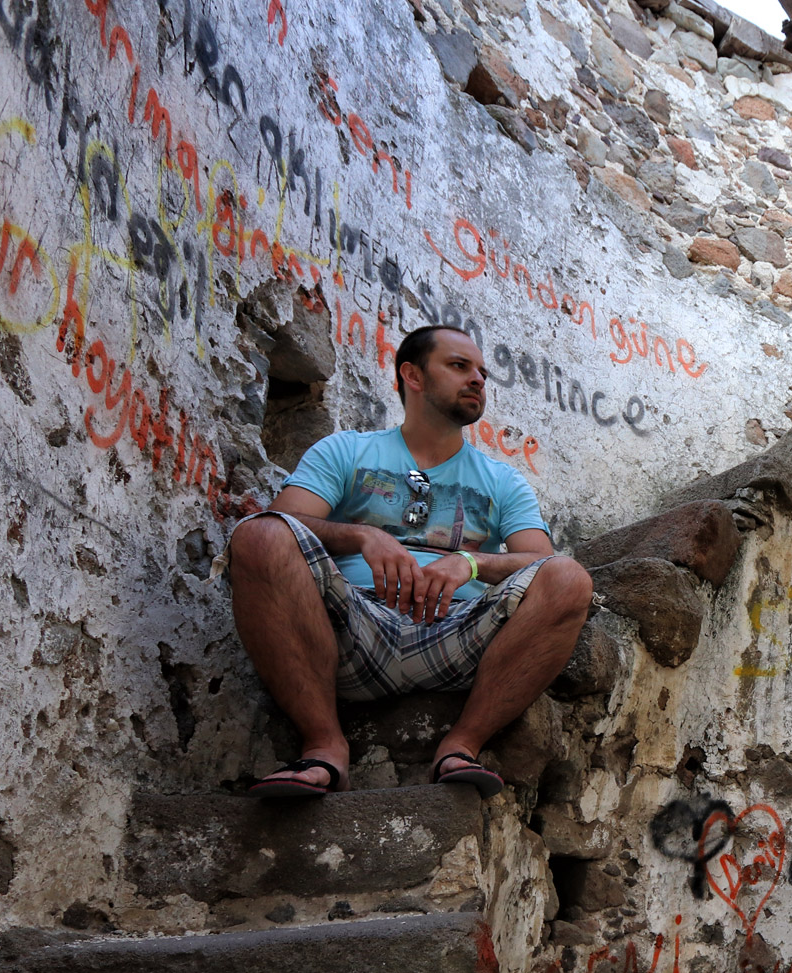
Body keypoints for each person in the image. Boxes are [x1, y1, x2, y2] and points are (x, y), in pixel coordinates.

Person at [225, 325, 594, 798]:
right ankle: (324, 746)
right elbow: (283, 520)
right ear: (412, 376)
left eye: (482, 371)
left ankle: (461, 744)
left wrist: (470, 563)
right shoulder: (347, 451)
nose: (478, 379)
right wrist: (363, 535)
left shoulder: (503, 481)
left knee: (569, 578)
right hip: (348, 629)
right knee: (258, 536)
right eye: (459, 366)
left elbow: (540, 562)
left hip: (459, 634)